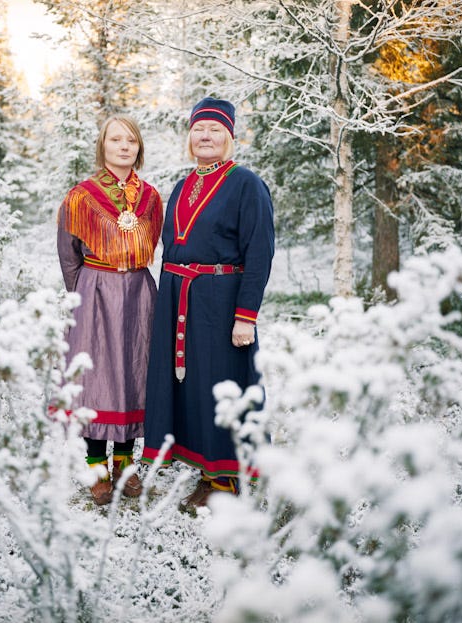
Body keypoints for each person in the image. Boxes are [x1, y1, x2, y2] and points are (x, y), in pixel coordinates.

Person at [141, 97, 275, 508]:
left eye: (215, 129)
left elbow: (260, 252)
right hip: (181, 299)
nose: (206, 136)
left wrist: (246, 315)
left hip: (222, 303)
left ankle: (225, 480)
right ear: (189, 137)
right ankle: (205, 466)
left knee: (223, 384)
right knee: (193, 387)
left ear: (230, 138)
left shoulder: (246, 184)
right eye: (199, 128)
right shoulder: (182, 186)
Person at [57, 114, 163, 506]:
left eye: (130, 141)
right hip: (95, 289)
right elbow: (68, 255)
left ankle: (125, 465)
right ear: (103, 146)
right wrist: (83, 296)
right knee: (98, 378)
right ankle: (97, 470)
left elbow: (154, 243)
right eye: (115, 139)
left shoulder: (151, 197)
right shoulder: (80, 196)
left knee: (134, 374)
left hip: (138, 290)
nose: (123, 146)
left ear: (139, 148)